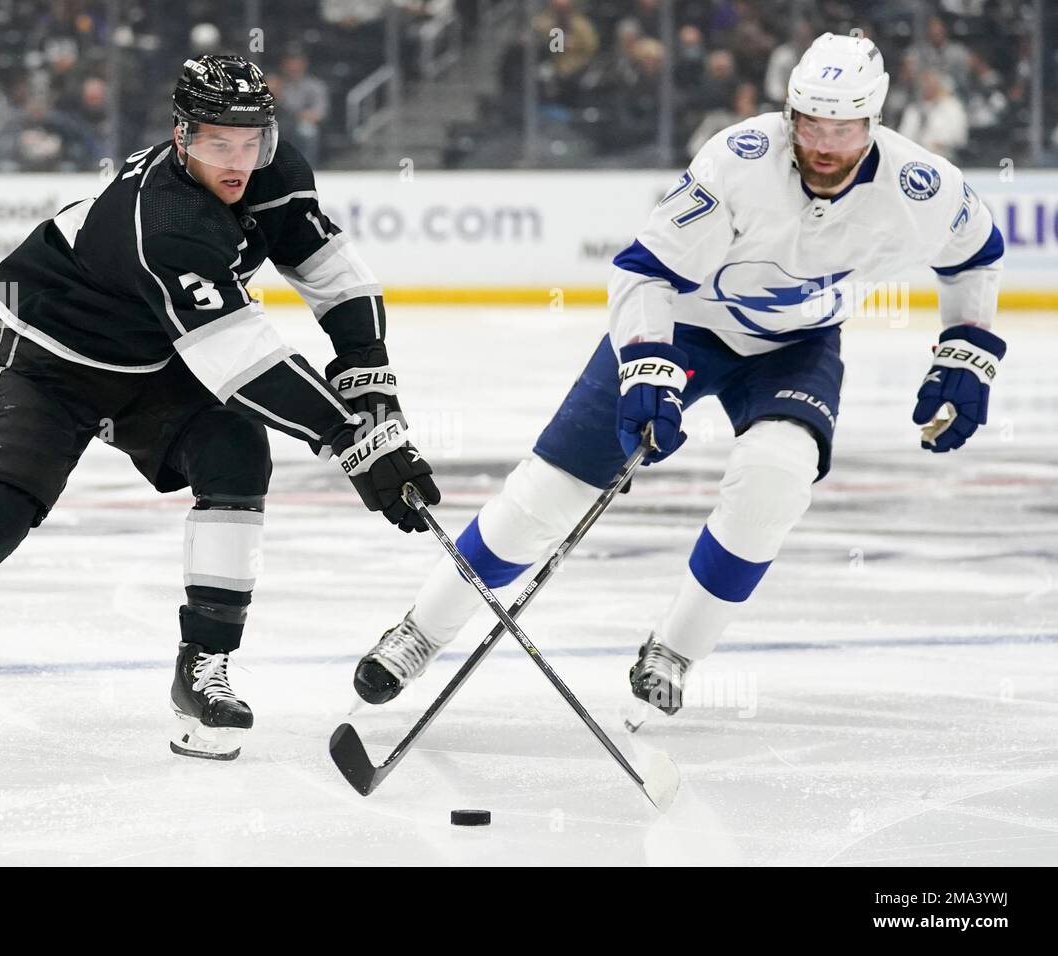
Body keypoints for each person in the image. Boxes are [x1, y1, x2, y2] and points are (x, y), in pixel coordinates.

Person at [351, 33, 1005, 725]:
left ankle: (676, 649)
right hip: (682, 327)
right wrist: (647, 367)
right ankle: (422, 630)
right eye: (809, 122)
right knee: (548, 496)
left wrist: (965, 349)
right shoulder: (739, 161)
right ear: (790, 114)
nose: (822, 143)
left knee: (777, 476)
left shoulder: (921, 186)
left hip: (798, 346)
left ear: (873, 122)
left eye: (842, 128)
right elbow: (643, 271)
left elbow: (978, 253)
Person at [0, 56, 439, 762]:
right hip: (51, 361)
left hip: (157, 358)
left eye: (252, 141)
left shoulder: (276, 170)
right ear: (179, 137)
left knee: (236, 454)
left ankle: (202, 670)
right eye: (216, 144)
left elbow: (329, 270)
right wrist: (354, 437)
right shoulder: (165, 222)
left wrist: (366, 371)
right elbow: (242, 360)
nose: (238, 161)